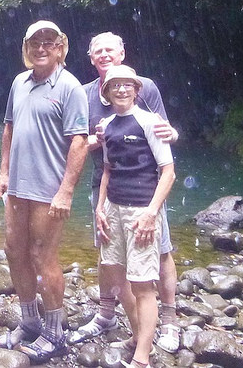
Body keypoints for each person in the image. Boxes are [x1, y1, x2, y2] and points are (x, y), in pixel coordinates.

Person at [71, 32, 180, 353]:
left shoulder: (143, 87)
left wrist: (173, 133)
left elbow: (165, 130)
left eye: (110, 50)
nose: (104, 55)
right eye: (98, 51)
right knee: (108, 252)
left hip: (145, 185)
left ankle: (170, 320)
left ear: (122, 53)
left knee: (160, 249)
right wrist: (99, 139)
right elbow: (78, 140)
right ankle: (106, 314)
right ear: (91, 59)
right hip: (104, 180)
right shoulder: (84, 94)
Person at [0, 21, 89, 363]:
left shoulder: (70, 87)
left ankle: (54, 333)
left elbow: (79, 141)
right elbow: (8, 128)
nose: (41, 48)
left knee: (42, 255)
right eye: (35, 42)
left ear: (60, 46)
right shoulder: (19, 83)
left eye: (49, 42)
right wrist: (3, 172)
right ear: (26, 47)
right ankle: (30, 321)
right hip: (18, 187)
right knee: (13, 250)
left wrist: (66, 191)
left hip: (49, 190)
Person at [94, 65, 176, 368]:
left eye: (128, 85)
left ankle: (142, 357)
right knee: (116, 278)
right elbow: (107, 170)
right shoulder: (108, 125)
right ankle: (138, 334)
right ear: (107, 92)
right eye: (115, 85)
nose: (122, 89)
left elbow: (168, 172)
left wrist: (151, 214)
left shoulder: (150, 122)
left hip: (141, 208)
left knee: (142, 284)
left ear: (136, 90)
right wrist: (99, 209)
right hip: (113, 208)